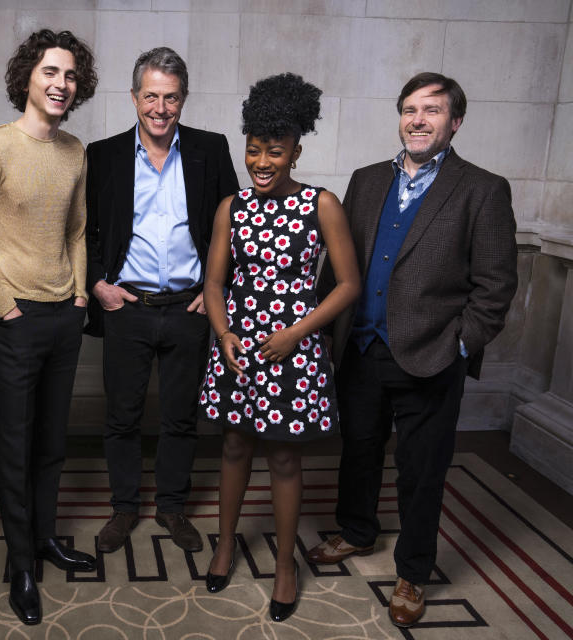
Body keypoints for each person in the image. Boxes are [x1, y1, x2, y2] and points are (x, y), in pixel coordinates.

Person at [305, 72, 518, 628]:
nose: (417, 120)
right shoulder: (366, 179)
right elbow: (338, 265)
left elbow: (496, 285)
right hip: (361, 348)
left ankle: (413, 571)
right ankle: (355, 530)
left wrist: (460, 344)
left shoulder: (482, 188)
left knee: (422, 470)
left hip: (431, 355)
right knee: (359, 448)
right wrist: (323, 334)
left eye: (432, 110)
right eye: (409, 110)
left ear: (456, 121)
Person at [200, 73, 360, 621]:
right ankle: (225, 545)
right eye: (254, 149)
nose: (262, 161)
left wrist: (297, 333)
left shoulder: (322, 205)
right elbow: (215, 283)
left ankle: (286, 565)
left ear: (296, 150)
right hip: (240, 347)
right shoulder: (231, 208)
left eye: (275, 150)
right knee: (234, 447)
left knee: (285, 457)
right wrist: (224, 336)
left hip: (294, 348)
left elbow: (348, 286)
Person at [0, 28, 98, 626]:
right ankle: (20, 566)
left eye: (69, 75)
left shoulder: (76, 152)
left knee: (50, 446)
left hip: (63, 320)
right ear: (27, 79)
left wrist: (80, 295)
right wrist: (6, 307)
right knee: (13, 449)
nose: (61, 84)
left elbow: (75, 231)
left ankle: (45, 539)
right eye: (50, 72)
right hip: (13, 322)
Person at [85, 47, 239, 554]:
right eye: (150, 95)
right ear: (134, 98)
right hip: (127, 307)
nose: (160, 108)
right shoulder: (102, 153)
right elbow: (82, 231)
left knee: (180, 418)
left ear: (183, 100)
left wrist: (215, 291)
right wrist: (96, 283)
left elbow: (234, 226)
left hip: (188, 309)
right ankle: (124, 509)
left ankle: (172, 508)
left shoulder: (210, 149)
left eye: (171, 98)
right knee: (122, 417)